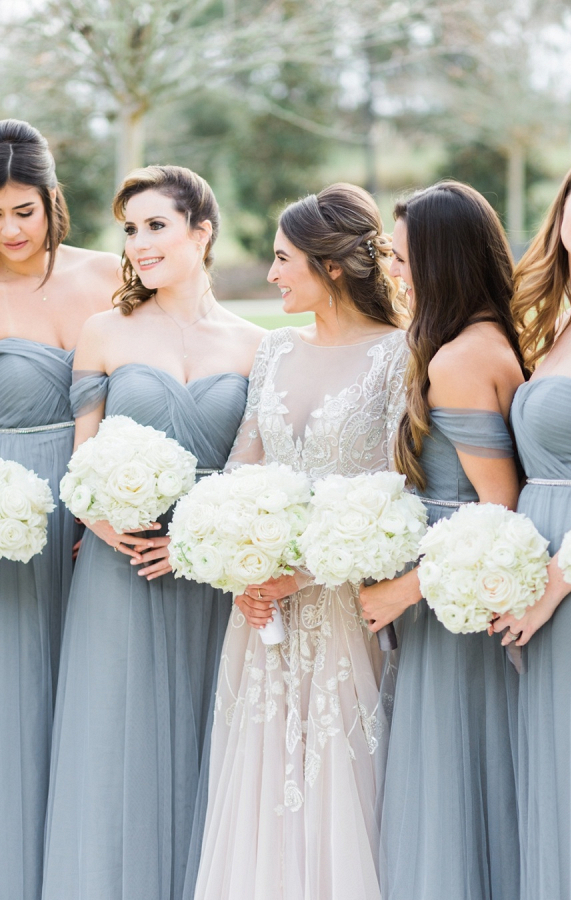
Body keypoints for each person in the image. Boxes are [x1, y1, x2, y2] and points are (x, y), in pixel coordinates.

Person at [42, 165, 263, 900]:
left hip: (212, 580)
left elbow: (258, 478)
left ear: (202, 230)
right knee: (113, 749)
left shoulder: (258, 345)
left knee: (212, 752)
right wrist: (115, 530)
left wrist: (197, 547)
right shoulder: (105, 330)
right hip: (119, 569)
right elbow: (82, 463)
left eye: (157, 225)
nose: (138, 243)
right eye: (130, 229)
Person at [189, 182, 408, 900]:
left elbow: (392, 490)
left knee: (345, 785)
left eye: (285, 260)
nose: (273, 273)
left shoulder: (397, 355)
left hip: (349, 606)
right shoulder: (275, 350)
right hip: (259, 613)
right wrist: (239, 562)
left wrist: (302, 574)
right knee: (259, 782)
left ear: (332, 267)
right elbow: (240, 464)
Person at [360, 182, 525, 900]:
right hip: (448, 589)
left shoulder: (461, 358)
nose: (393, 271)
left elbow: (500, 507)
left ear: (443, 259)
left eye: (403, 258)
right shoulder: (483, 336)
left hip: (458, 599)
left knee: (450, 781)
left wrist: (403, 588)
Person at [0, 118, 119, 900]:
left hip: (102, 511)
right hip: (8, 516)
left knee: (93, 693)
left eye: (23, 210)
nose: (9, 229)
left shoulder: (109, 273)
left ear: (52, 202)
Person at [491, 147, 571, 900]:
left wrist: (554, 587)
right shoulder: (558, 321)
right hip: (547, 578)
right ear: (564, 205)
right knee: (555, 770)